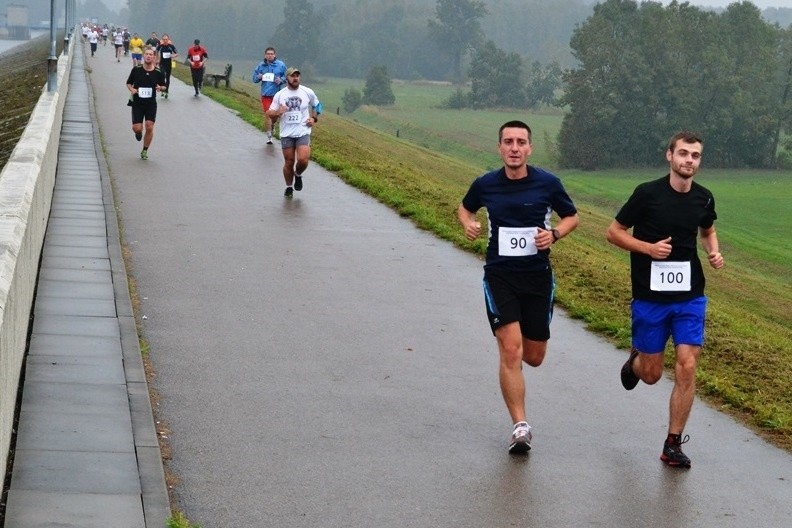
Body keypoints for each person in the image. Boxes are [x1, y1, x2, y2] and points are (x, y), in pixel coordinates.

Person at [457, 120, 579, 454]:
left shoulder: (548, 183)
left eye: (520, 142)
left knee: (534, 356)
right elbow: (464, 208)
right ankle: (520, 426)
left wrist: (553, 234)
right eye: (508, 142)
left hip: (538, 277)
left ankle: (518, 373)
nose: (514, 148)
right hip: (500, 276)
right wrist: (468, 224)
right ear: (499, 147)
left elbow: (572, 217)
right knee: (510, 349)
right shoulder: (486, 184)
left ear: (529, 148)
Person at [606, 131, 724, 469]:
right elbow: (613, 232)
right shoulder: (647, 194)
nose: (689, 160)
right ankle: (636, 362)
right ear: (669, 156)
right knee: (653, 374)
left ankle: (673, 443)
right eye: (683, 153)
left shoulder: (704, 198)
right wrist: (648, 249)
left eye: (695, 155)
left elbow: (707, 230)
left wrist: (714, 252)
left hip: (690, 296)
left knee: (687, 363)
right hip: (651, 296)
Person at [266, 67, 321, 197]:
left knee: (303, 159)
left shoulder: (307, 92)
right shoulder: (280, 95)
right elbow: (269, 113)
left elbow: (317, 105)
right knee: (289, 161)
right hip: (287, 133)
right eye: (292, 76)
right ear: (287, 78)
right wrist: (278, 112)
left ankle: (298, 174)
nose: (295, 78)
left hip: (303, 130)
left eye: (297, 75)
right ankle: (289, 187)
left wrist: (313, 118)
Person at [126, 47, 166, 160]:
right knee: (137, 128)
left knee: (149, 126)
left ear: (154, 57)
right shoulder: (136, 69)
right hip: (137, 103)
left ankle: (144, 150)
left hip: (151, 104)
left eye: (151, 54)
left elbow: (164, 86)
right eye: (146, 54)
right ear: (143, 56)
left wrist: (160, 88)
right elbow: (129, 83)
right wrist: (132, 89)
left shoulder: (158, 72)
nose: (148, 56)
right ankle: (138, 133)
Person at [252, 47, 287, 144]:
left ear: (275, 55)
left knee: (275, 115)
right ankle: (269, 136)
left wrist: (281, 80)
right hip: (266, 95)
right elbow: (254, 78)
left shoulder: (281, 65)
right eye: (268, 54)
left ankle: (273, 126)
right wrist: (258, 77)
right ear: (265, 55)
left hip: (277, 95)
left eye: (271, 54)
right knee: (268, 114)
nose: (270, 55)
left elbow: (287, 77)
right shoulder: (261, 65)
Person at [155, 34, 178, 98]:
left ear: (168, 40)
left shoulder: (171, 46)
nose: (165, 40)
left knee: (168, 78)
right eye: (164, 39)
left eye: (166, 39)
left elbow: (176, 53)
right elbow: (156, 51)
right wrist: (157, 59)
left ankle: (166, 91)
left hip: (168, 64)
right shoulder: (160, 46)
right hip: (162, 64)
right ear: (162, 40)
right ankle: (162, 89)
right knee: (162, 75)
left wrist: (173, 56)